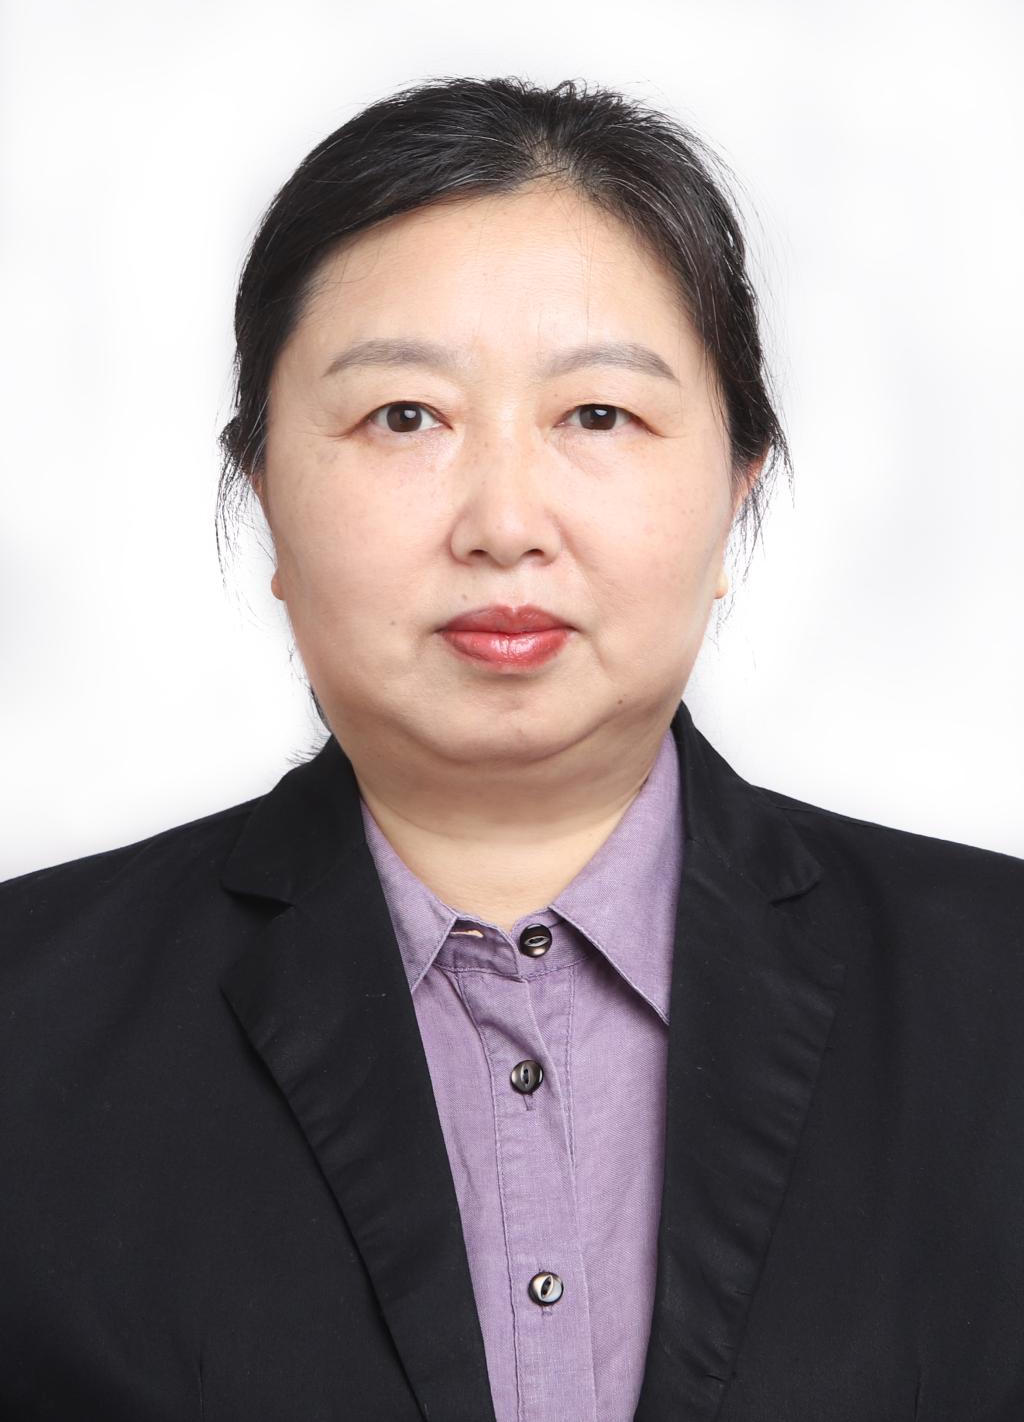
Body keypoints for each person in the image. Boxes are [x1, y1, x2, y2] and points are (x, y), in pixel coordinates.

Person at [1, 74, 1021, 1422]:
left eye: (598, 415)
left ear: (737, 489)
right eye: (404, 417)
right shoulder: (28, 1026)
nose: (503, 523)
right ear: (265, 494)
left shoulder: (997, 995)